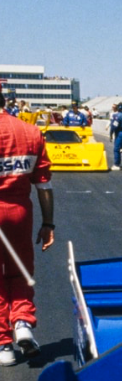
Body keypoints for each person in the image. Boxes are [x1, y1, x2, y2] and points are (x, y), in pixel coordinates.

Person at [0, 91, 55, 366]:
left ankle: (3, 345)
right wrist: (48, 223)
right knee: (20, 270)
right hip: (20, 211)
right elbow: (43, 183)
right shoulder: (30, 131)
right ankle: (22, 321)